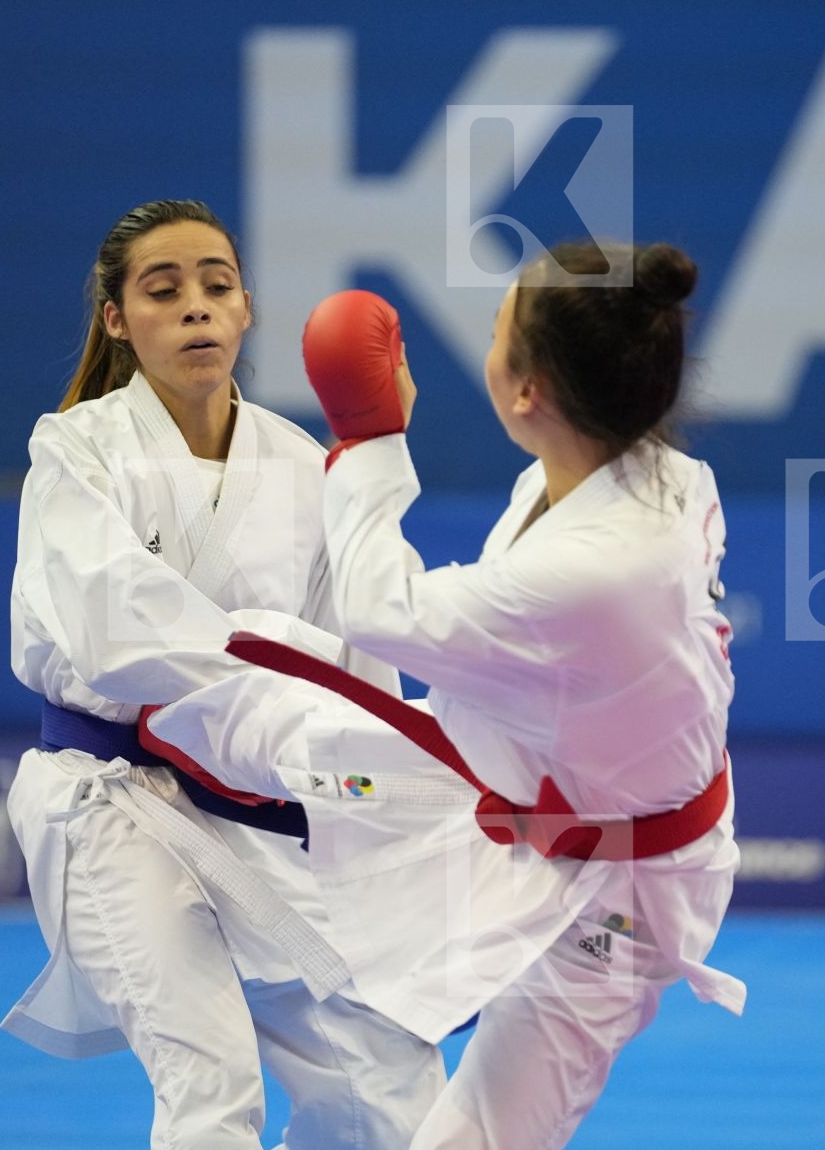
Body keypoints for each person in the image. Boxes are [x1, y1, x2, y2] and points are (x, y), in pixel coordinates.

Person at [147, 241, 746, 1148]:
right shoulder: (645, 475)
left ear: (526, 392)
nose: (485, 340)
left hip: (616, 897)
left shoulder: (599, 567)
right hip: (548, 800)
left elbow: (383, 614)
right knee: (304, 712)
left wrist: (369, 435)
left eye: (499, 327)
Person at [0, 199, 443, 1149]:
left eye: (216, 285)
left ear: (246, 309)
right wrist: (282, 661)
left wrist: (388, 793)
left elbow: (354, 665)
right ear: (118, 320)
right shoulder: (75, 451)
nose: (196, 306)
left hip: (257, 805)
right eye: (164, 290)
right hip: (111, 799)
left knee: (385, 1078)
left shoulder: (298, 464)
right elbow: (115, 631)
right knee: (212, 1082)